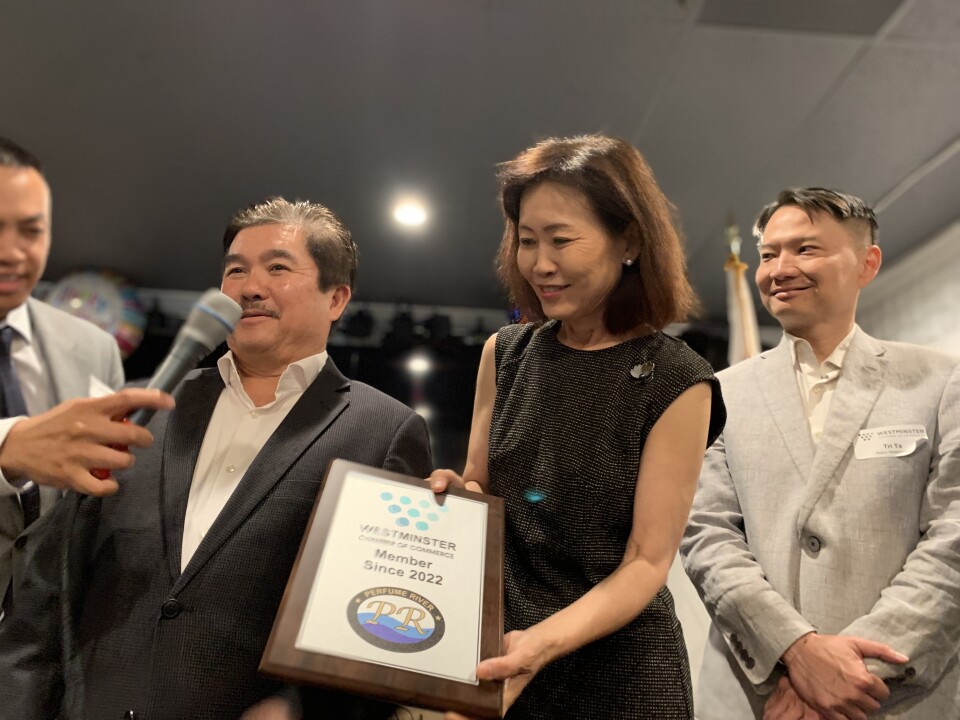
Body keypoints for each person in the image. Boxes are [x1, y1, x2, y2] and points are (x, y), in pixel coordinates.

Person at [0, 197, 433, 720]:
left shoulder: (384, 430)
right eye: (235, 270)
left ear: (337, 297)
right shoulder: (138, 407)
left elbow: (374, 640)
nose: (249, 287)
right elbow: (43, 593)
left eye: (277, 267)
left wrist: (297, 711)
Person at [431, 134, 725, 718]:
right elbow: (481, 489)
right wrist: (450, 498)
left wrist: (542, 644)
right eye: (527, 241)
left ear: (629, 241)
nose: (540, 264)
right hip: (506, 654)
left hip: (617, 675)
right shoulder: (506, 353)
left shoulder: (676, 379)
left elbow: (646, 560)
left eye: (562, 240)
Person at [681, 188, 960, 719]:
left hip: (891, 696)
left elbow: (954, 540)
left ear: (867, 263)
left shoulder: (940, 380)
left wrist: (850, 674)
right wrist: (797, 653)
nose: (780, 269)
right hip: (756, 695)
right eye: (768, 254)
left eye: (806, 250)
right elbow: (706, 536)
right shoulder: (716, 392)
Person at [0, 137, 172, 614]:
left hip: (46, 635)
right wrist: (8, 447)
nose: (12, 252)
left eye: (31, 231)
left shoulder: (92, 345)